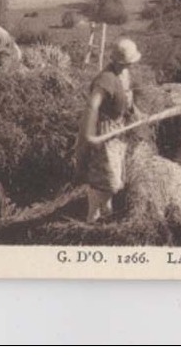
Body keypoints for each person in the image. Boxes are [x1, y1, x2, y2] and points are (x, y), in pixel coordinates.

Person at [76, 37, 144, 223]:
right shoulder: (105, 80)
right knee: (108, 182)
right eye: (127, 62)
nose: (130, 66)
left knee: (113, 179)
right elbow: (92, 106)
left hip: (118, 130)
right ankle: (93, 217)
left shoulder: (124, 75)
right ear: (118, 61)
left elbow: (126, 100)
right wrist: (90, 135)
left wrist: (137, 115)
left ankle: (102, 216)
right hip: (104, 132)